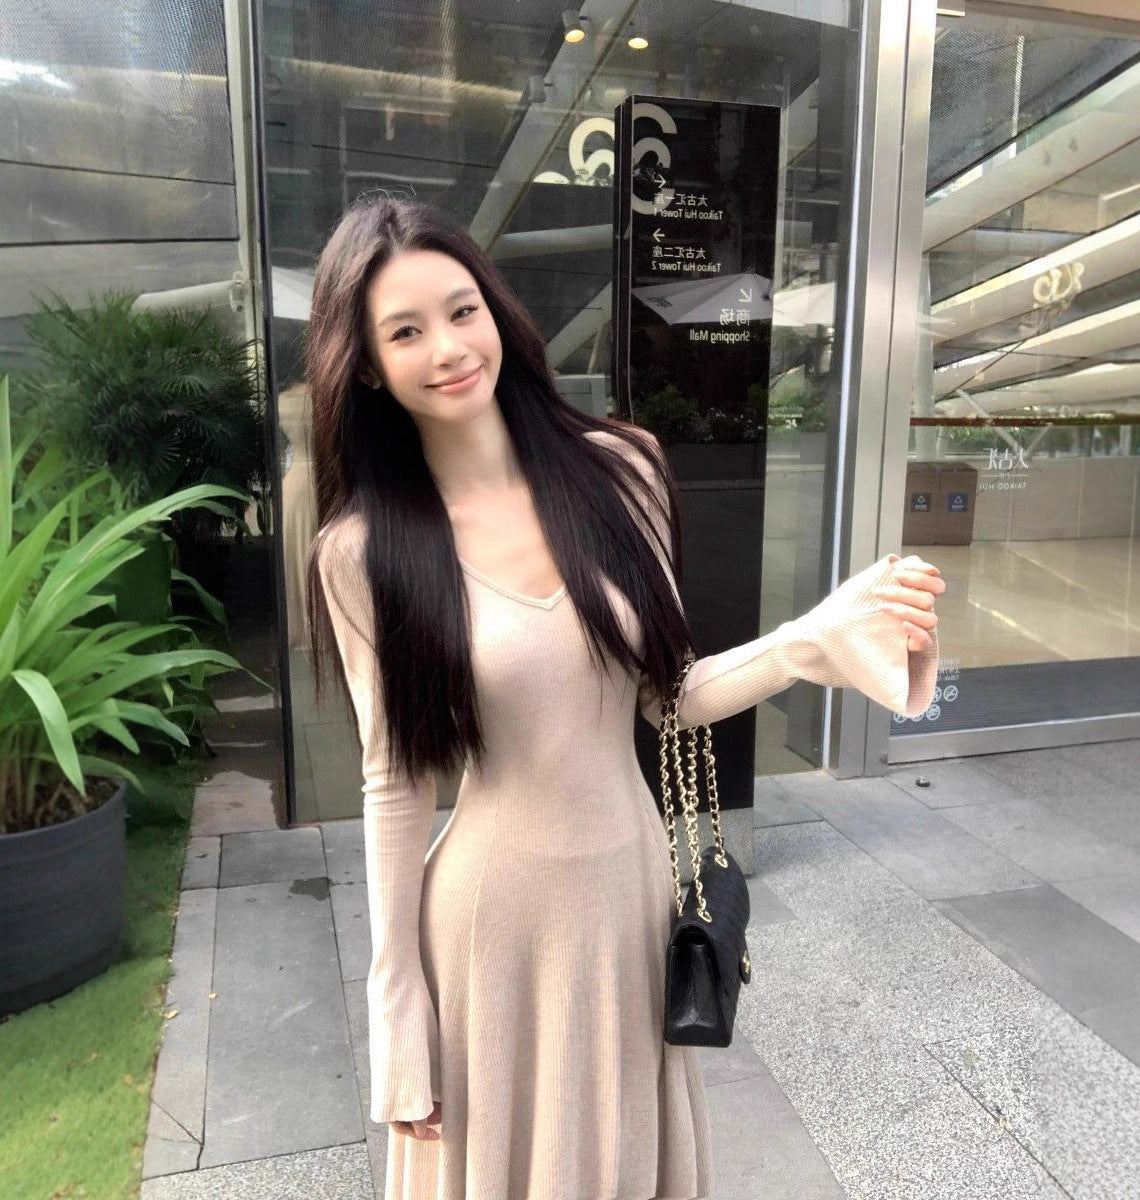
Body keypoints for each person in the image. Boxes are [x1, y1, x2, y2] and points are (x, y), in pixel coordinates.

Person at [304, 195, 944, 1200]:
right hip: (488, 925)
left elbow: (669, 695)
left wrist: (810, 640)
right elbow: (395, 781)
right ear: (370, 367)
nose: (450, 347)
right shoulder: (362, 551)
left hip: (627, 898)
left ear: (496, 312)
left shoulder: (620, 469)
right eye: (406, 330)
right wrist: (399, 1004)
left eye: (463, 310)